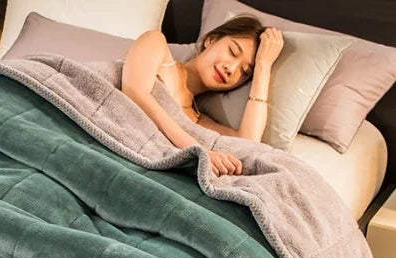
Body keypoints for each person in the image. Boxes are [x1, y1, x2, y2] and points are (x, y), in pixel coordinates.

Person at [121, 15, 284, 177]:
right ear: (211, 40)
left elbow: (246, 144)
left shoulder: (197, 120)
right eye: (232, 52)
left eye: (244, 71)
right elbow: (134, 91)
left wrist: (263, 67)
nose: (231, 69)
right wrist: (199, 151)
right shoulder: (156, 43)